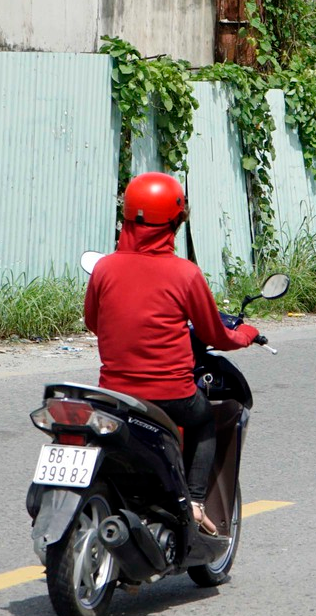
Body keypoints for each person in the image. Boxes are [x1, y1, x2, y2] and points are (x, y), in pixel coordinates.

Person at [83, 172, 259, 534]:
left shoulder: (104, 268)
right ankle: (194, 503)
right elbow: (215, 335)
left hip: (114, 396)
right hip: (171, 395)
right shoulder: (185, 274)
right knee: (204, 422)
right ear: (173, 224)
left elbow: (94, 323)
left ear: (129, 218)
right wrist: (245, 334)